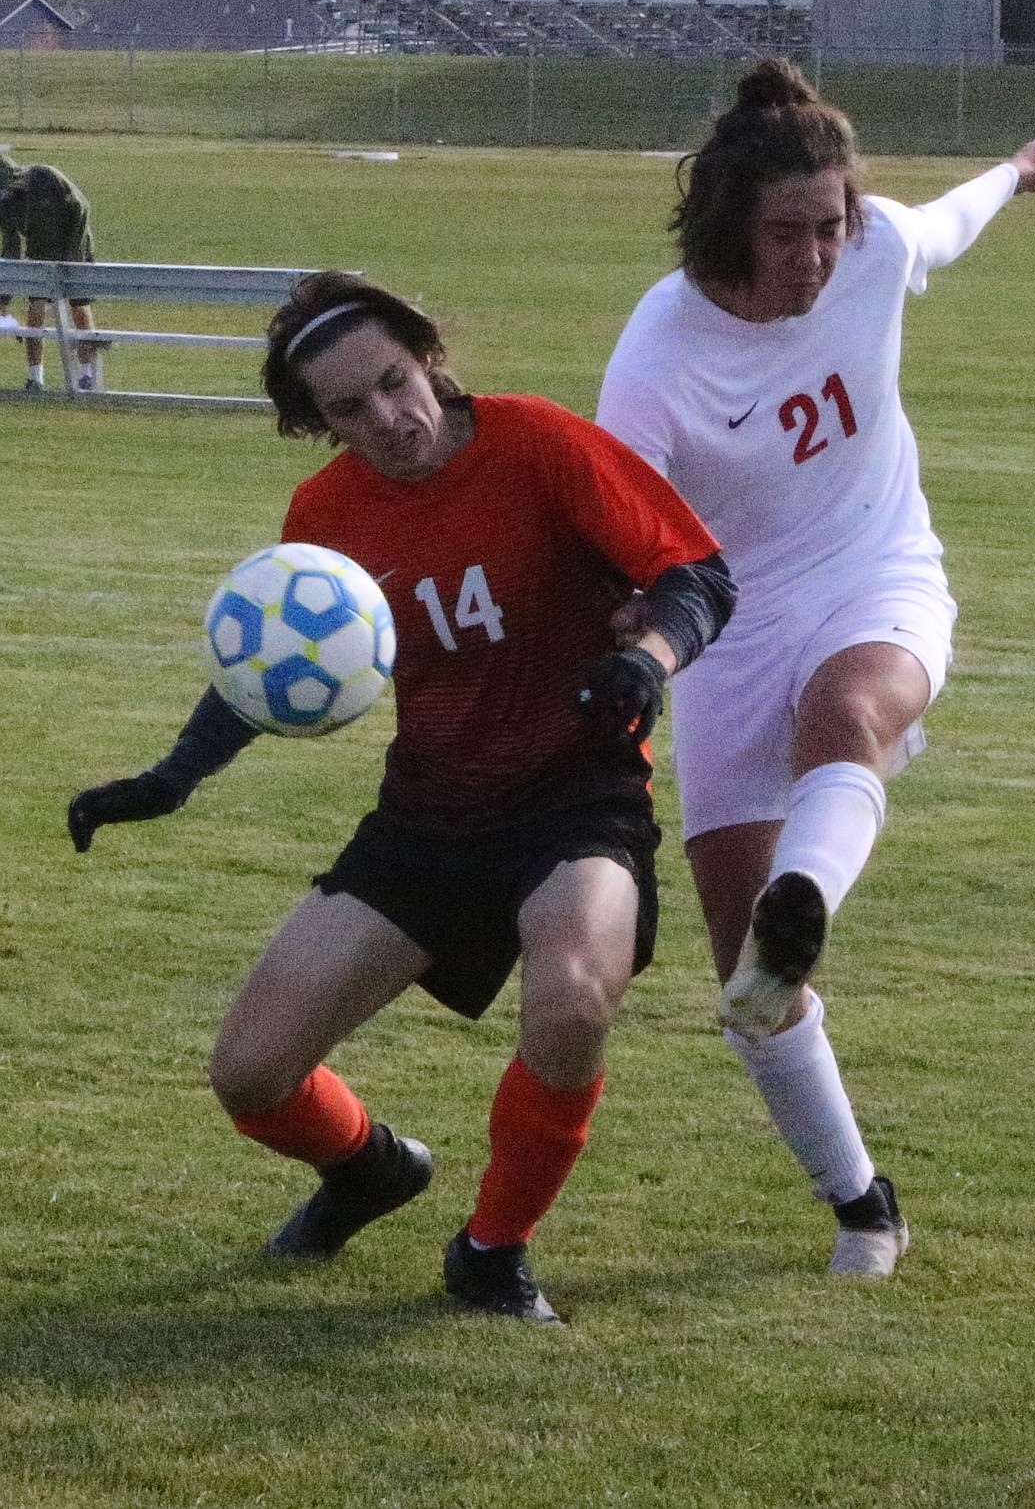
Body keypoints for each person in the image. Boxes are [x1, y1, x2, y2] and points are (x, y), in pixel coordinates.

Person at [67, 271, 736, 1323]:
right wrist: (170, 778)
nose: (387, 418)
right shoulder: (325, 513)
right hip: (428, 817)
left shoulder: (539, 443)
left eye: (393, 382)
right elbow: (273, 668)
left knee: (571, 994)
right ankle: (372, 1169)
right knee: (251, 1075)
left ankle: (492, 1249)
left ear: (428, 356)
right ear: (313, 422)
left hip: (578, 798)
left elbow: (699, 577)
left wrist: (647, 660)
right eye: (347, 407)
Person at [596, 59, 1035, 1277]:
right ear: (725, 222)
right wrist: (617, 626)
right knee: (744, 995)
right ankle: (863, 1201)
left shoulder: (873, 247)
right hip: (726, 630)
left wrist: (1019, 171)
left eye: (834, 223)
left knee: (848, 711)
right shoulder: (659, 352)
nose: (819, 254)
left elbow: (947, 225)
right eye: (790, 232)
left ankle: (797, 914)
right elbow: (611, 527)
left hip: (878, 569)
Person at [0, 152, 101, 392]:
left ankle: (86, 375)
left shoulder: (44, 176)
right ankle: (36, 378)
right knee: (35, 314)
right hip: (40, 250)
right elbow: (11, 245)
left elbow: (80, 206)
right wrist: (3, 297)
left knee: (79, 308)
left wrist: (72, 256)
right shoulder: (6, 204)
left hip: (74, 246)